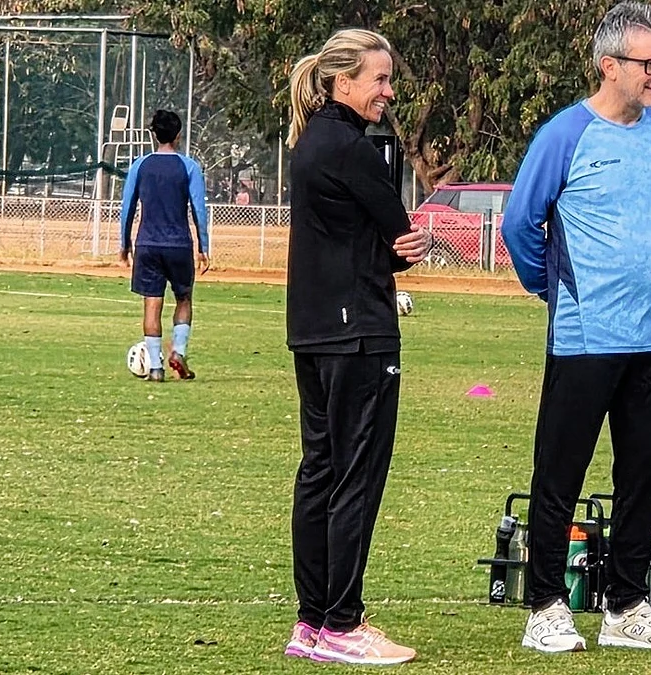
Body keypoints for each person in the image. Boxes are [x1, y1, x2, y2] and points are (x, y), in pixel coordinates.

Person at [501, 1, 651, 655]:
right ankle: (546, 608)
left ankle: (626, 606)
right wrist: (554, 290)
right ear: (608, 65)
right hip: (587, 336)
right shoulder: (564, 135)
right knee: (560, 473)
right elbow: (520, 225)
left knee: (644, 473)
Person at [281, 28, 430, 665]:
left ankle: (311, 622)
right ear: (344, 81)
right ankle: (342, 621)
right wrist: (410, 246)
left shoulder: (309, 141)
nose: (388, 92)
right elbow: (401, 236)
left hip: (313, 330)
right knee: (355, 476)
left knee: (319, 470)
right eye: (380, 80)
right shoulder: (350, 147)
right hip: (358, 333)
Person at [118, 109, 209, 382]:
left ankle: (156, 368)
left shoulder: (139, 165)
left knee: (152, 304)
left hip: (147, 243)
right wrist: (204, 247)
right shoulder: (189, 166)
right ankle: (178, 352)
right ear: (178, 135)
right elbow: (198, 209)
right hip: (179, 244)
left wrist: (125, 243)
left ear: (153, 134)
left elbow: (127, 206)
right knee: (184, 299)